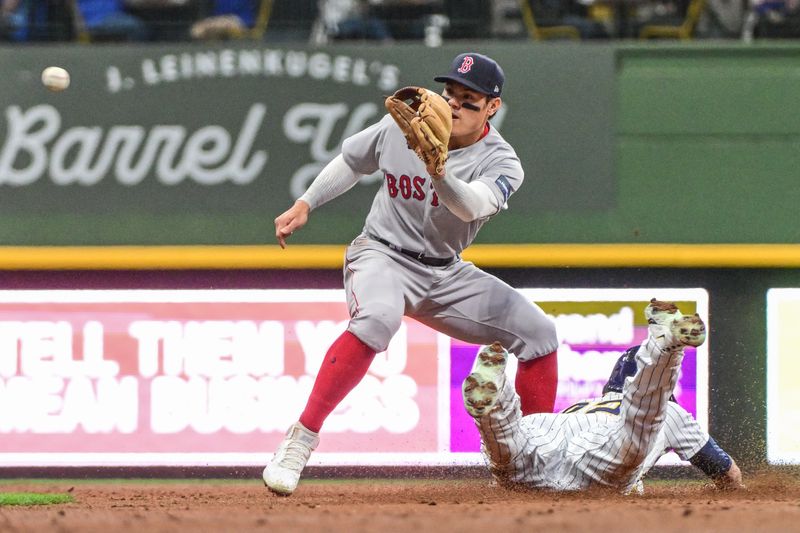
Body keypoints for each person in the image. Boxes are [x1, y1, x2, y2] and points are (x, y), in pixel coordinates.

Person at [264, 52, 560, 496]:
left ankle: (531, 459)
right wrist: (306, 202)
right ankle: (300, 440)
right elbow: (352, 160)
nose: (455, 105)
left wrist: (439, 170)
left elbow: (471, 206)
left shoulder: (502, 161)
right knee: (378, 320)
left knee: (540, 334)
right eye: (450, 94)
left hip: (446, 274)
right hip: (381, 255)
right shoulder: (404, 127)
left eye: (469, 99)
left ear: (492, 107)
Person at [462, 299, 745, 493]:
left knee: (508, 450)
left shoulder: (583, 405)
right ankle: (665, 346)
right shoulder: (672, 413)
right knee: (643, 421)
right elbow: (728, 474)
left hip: (550, 432)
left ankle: (496, 401)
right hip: (600, 458)